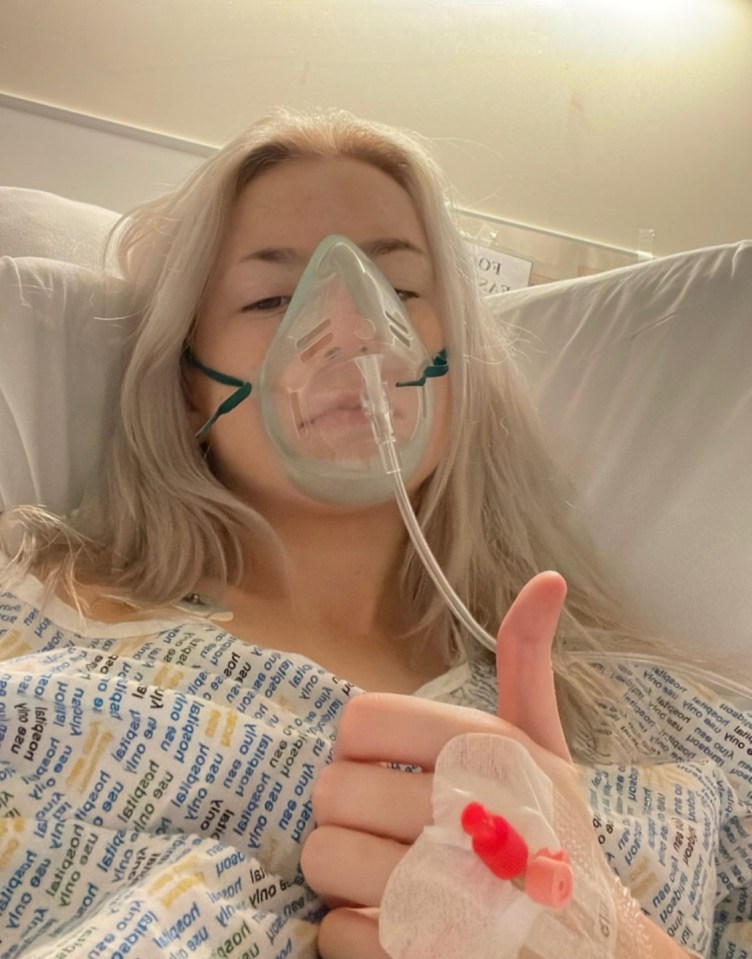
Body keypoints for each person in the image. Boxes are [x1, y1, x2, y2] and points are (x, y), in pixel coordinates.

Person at [0, 108, 749, 959]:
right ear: (185, 387)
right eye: (272, 296)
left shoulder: (646, 718)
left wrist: (608, 939)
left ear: (457, 359)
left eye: (398, 290)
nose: (353, 330)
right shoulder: (35, 611)